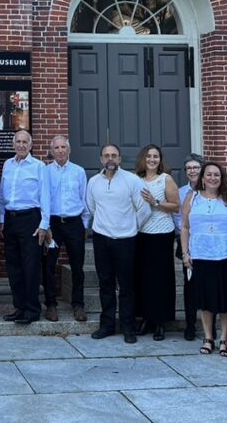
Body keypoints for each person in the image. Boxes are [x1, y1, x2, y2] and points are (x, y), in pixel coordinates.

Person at [180, 161, 227, 356]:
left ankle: (224, 339)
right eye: (209, 174)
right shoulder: (192, 198)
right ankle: (208, 337)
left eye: (216, 175)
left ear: (222, 178)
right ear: (202, 178)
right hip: (201, 255)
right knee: (205, 300)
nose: (212, 178)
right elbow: (185, 227)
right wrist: (185, 253)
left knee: (226, 300)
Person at [86, 144, 150, 343]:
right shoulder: (94, 182)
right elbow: (91, 207)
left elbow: (144, 209)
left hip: (126, 240)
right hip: (101, 239)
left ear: (120, 159)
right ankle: (107, 325)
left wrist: (130, 227)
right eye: (106, 156)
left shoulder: (132, 181)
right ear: (101, 160)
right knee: (105, 284)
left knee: (126, 286)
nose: (110, 159)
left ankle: (128, 327)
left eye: (114, 155)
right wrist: (105, 225)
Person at [0, 129, 51, 325]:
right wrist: (2, 220)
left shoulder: (39, 167)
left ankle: (32, 309)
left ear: (30, 146)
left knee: (30, 266)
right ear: (14, 145)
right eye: (18, 141)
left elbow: (45, 196)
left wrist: (44, 225)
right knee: (14, 266)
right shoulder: (7, 165)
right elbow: (2, 195)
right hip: (11, 220)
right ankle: (19, 307)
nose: (21, 145)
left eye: (24, 142)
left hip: (30, 219)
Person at [134, 144, 180, 340]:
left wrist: (155, 202)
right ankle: (145, 318)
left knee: (160, 279)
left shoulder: (165, 179)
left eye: (156, 156)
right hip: (141, 233)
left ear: (160, 160)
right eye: (149, 156)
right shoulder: (136, 180)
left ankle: (160, 321)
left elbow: (176, 206)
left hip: (162, 234)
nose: (152, 159)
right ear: (143, 159)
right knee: (142, 278)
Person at [42, 135, 89, 322]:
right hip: (53, 224)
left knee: (77, 266)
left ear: (69, 150)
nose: (60, 150)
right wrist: (45, 226)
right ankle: (51, 304)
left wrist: (84, 226)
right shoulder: (45, 171)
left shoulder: (79, 171)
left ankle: (78, 304)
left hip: (74, 223)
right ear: (51, 151)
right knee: (48, 265)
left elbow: (84, 198)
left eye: (63, 147)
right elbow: (42, 199)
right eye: (56, 148)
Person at [175, 154, 204, 341]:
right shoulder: (180, 192)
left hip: (208, 244)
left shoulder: (211, 190)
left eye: (196, 167)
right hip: (187, 242)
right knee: (190, 286)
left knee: (208, 285)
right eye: (189, 168)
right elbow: (177, 218)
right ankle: (190, 324)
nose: (192, 171)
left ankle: (210, 323)